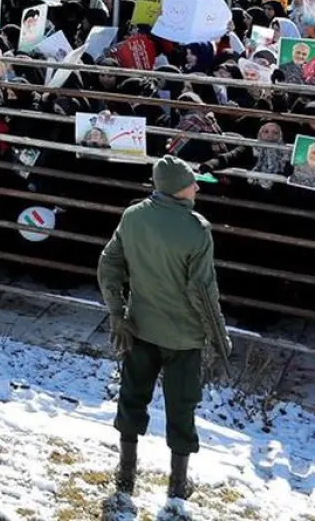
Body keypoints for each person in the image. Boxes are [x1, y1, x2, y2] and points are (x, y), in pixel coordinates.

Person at [97, 154, 232, 502]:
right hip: (184, 338)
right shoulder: (195, 229)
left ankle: (126, 474)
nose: (197, 187)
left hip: (139, 326)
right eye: (192, 182)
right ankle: (177, 483)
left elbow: (109, 262)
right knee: (181, 407)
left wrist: (117, 312)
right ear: (176, 189)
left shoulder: (132, 217)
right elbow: (203, 291)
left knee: (131, 398)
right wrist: (219, 337)